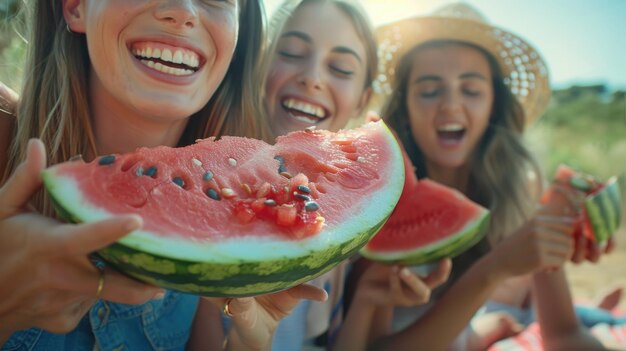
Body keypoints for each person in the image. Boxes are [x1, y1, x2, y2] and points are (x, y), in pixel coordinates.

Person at [0, 1, 327, 350]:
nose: (183, 11)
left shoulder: (220, 221)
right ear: (75, 7)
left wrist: (250, 341)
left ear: (235, 38)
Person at [337, 3, 613, 350]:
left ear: (494, 104)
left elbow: (563, 333)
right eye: (429, 90)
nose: (451, 105)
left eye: (471, 90)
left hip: (519, 324)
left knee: (600, 325)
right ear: (405, 106)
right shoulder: (379, 198)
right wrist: (494, 269)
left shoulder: (525, 187)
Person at [240, 1, 451, 350]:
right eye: (291, 52)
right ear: (259, 62)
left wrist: (368, 299)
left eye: (340, 67)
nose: (313, 77)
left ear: (361, 100)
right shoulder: (207, 186)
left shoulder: (346, 221)